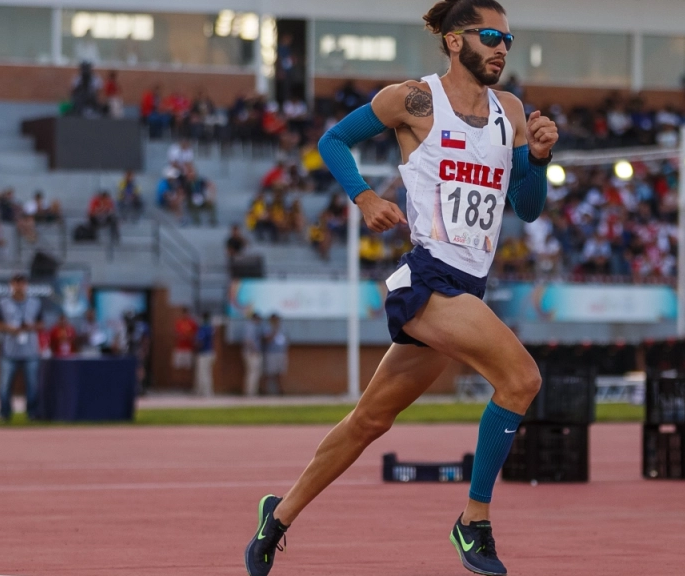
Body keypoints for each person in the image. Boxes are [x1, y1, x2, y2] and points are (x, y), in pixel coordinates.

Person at [242, 2, 557, 575]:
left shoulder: (510, 111)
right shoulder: (414, 100)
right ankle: (474, 521)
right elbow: (333, 141)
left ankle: (277, 516)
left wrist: (537, 158)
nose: (502, 48)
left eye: (508, 40)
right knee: (522, 379)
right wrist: (364, 197)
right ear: (456, 41)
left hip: (468, 289)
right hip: (429, 280)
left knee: (369, 421)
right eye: (491, 36)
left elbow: (528, 207)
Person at [0, 275, 45, 422]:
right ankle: (5, 413)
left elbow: (41, 324)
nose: (19, 287)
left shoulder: (35, 303)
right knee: (5, 385)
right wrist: (10, 328)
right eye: (16, 284)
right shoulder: (3, 303)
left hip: (30, 351)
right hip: (10, 351)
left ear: (26, 285)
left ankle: (32, 413)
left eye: (22, 284)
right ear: (11, 285)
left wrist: (30, 327)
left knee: (32, 385)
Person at [261, 314, 288, 396]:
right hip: (271, 353)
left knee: (279, 373)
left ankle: (280, 391)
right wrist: (274, 330)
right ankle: (265, 391)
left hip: (281, 353)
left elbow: (286, 339)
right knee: (269, 373)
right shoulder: (267, 328)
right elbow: (266, 339)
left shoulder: (283, 328)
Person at [194, 312, 216, 397]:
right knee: (208, 373)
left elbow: (200, 341)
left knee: (203, 373)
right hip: (211, 352)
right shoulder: (211, 328)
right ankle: (208, 392)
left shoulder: (203, 328)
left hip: (204, 353)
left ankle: (204, 392)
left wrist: (196, 346)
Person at [242, 312, 264, 397]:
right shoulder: (250, 326)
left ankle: (252, 391)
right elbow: (248, 340)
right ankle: (250, 392)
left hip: (251, 352)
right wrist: (254, 350)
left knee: (254, 372)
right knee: (253, 372)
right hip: (251, 353)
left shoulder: (254, 326)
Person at [172, 307, 198, 373]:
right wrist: (181, 336)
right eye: (184, 313)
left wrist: (188, 336)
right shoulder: (179, 323)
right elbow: (176, 333)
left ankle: (186, 379)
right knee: (178, 367)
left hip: (188, 348)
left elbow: (195, 334)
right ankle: (179, 379)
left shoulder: (192, 323)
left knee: (188, 367)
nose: (185, 315)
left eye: (186, 313)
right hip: (180, 348)